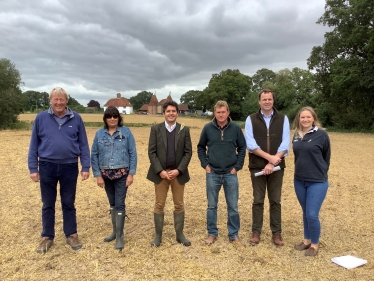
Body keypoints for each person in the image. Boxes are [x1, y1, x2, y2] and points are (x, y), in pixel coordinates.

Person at [28, 87, 90, 253]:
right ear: (50, 100)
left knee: (68, 203)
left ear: (66, 101)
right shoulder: (41, 118)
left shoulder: (76, 118)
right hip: (47, 165)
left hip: (69, 166)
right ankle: (47, 237)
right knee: (47, 203)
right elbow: (33, 144)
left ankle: (71, 234)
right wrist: (33, 168)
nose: (59, 102)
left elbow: (83, 144)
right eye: (56, 99)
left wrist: (85, 166)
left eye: (62, 99)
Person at [244, 89, 290, 246]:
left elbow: (285, 144)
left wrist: (273, 162)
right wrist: (269, 159)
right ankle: (256, 232)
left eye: (269, 99)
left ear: (273, 101)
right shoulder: (251, 119)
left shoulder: (283, 119)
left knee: (275, 200)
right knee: (258, 200)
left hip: (277, 168)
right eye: (264, 99)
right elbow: (250, 145)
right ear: (259, 101)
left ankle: (276, 234)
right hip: (257, 166)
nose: (267, 102)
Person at [197, 100, 246, 246]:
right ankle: (212, 233)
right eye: (218, 112)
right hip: (212, 172)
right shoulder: (208, 128)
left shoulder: (236, 129)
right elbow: (200, 147)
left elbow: (242, 148)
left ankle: (233, 234)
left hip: (230, 173)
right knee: (212, 205)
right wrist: (205, 165)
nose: (221, 115)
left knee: (233, 206)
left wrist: (237, 167)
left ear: (228, 112)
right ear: (215, 113)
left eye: (223, 112)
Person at [91, 106, 137, 251]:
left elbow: (133, 153)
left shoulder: (126, 132)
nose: (112, 119)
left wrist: (131, 174)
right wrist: (98, 175)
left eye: (115, 116)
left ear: (118, 118)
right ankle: (115, 231)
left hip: (122, 174)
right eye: (109, 116)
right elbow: (94, 155)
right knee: (112, 204)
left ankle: (120, 236)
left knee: (120, 203)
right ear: (105, 118)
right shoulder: (99, 134)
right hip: (106, 175)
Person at [147, 100, 192, 247]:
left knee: (179, 204)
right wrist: (160, 171)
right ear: (164, 113)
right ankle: (158, 236)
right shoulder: (156, 129)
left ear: (177, 113)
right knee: (159, 204)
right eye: (168, 111)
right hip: (161, 175)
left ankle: (180, 234)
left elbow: (188, 152)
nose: (171, 113)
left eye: (173, 111)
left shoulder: (184, 129)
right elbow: (151, 152)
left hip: (178, 174)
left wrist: (179, 170)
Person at [292, 106, 331, 256]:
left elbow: (326, 157)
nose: (305, 120)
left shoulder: (321, 135)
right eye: (302, 117)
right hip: (299, 180)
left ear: (313, 118)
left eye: (308, 117)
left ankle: (314, 244)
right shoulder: (296, 135)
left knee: (312, 214)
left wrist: (319, 171)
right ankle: (306, 240)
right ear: (299, 119)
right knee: (305, 212)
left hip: (317, 181)